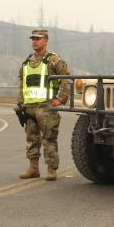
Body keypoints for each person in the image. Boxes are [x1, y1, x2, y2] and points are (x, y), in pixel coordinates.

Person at [17, 29, 70, 181]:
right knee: (31, 139)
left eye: (38, 39)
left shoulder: (53, 60)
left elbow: (67, 79)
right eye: (33, 38)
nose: (34, 41)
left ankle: (51, 169)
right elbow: (22, 82)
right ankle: (33, 168)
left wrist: (60, 99)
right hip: (30, 108)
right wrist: (20, 101)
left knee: (49, 138)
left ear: (46, 40)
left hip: (46, 108)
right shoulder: (27, 61)